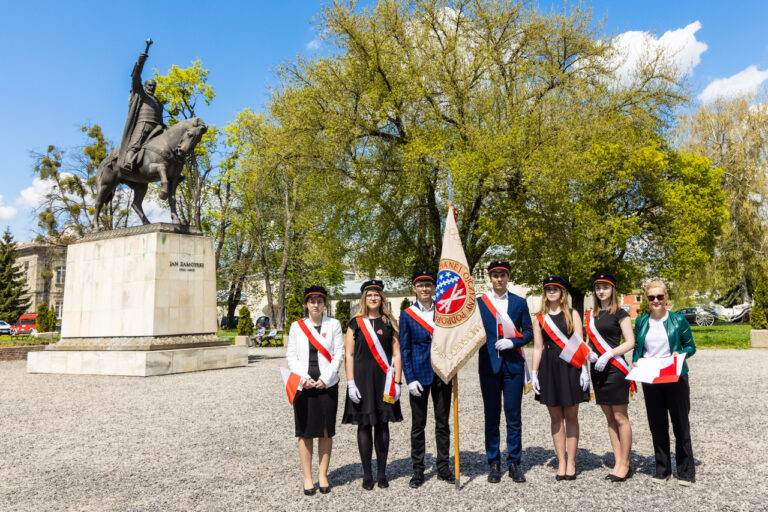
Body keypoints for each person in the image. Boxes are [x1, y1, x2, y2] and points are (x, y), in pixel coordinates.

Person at [633, 279, 697, 486]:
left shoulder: (678, 320)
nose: (656, 300)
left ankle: (686, 472)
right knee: (657, 424)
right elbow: (638, 350)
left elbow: (691, 346)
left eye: (660, 296)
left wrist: (681, 353)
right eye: (651, 297)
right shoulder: (641, 321)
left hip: (675, 375)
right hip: (651, 377)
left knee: (680, 424)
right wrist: (635, 362)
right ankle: (662, 470)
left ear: (666, 297)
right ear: (647, 299)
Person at [342, 279, 403, 490]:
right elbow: (348, 355)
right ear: (364, 298)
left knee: (383, 424)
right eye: (369, 295)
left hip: (384, 382)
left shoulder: (390, 323)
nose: (373, 298)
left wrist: (398, 381)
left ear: (382, 297)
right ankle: (367, 473)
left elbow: (396, 353)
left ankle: (382, 473)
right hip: (361, 381)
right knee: (364, 425)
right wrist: (350, 382)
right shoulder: (355, 323)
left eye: (376, 294)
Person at [285, 286, 344, 496]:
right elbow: (291, 356)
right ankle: (308, 477)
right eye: (312, 301)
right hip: (304, 385)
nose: (316, 305)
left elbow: (338, 354)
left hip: (326, 385)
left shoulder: (334, 324)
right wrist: (305, 379)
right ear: (306, 304)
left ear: (324, 304)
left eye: (320, 301)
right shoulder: (296, 326)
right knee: (305, 431)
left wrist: (325, 379)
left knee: (326, 430)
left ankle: (322, 475)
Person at [477, 261, 532, 484]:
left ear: (508, 277)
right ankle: (494, 462)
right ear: (490, 278)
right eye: (495, 275)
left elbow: (528, 332)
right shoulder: (480, 304)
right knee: (491, 416)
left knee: (513, 416)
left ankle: (514, 462)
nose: (499, 279)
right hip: (489, 366)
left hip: (513, 366)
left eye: (503, 275)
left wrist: (513, 342)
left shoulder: (519, 303)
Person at [531, 276, 590, 481]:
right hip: (549, 368)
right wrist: (534, 373)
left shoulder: (572, 314)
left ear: (562, 292)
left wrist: (585, 370)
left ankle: (571, 461)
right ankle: (561, 461)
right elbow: (538, 347)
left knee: (571, 417)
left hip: (571, 366)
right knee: (555, 417)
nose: (552, 292)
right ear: (545, 292)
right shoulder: (539, 317)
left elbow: (580, 343)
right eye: (548, 289)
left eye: (555, 288)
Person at [399, 270, 454, 488]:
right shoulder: (407, 314)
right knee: (418, 426)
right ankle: (418, 471)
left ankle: (443, 467)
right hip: (419, 376)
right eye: (420, 285)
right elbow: (404, 349)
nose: (425, 289)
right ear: (414, 288)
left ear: (433, 288)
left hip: (442, 373)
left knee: (442, 425)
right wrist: (409, 378)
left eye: (428, 285)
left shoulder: (444, 311)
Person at [584, 273, 635, 482]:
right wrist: (588, 352)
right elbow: (588, 341)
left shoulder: (620, 313)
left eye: (605, 287)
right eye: (598, 288)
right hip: (598, 370)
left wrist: (609, 353)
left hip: (615, 369)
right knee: (609, 418)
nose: (601, 291)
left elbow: (630, 342)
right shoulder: (591, 314)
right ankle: (617, 461)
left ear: (612, 289)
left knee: (621, 417)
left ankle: (625, 464)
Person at [118, 49, 166, 189]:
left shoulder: (158, 102)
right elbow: (136, 76)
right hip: (143, 124)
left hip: (157, 128)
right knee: (136, 143)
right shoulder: (141, 93)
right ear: (145, 86)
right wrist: (141, 61)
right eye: (149, 85)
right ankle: (127, 163)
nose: (152, 87)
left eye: (154, 86)